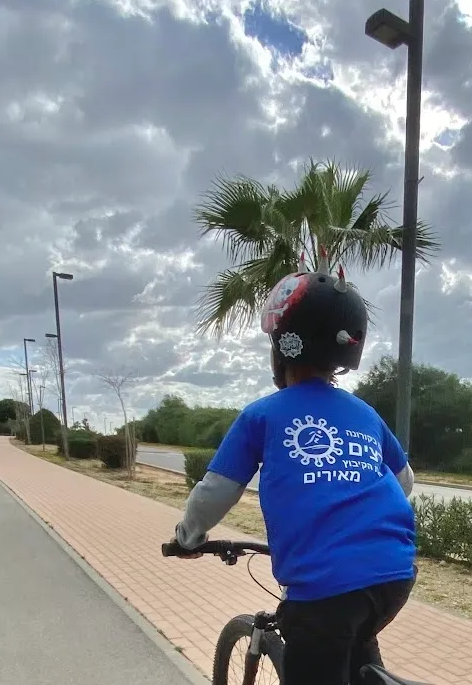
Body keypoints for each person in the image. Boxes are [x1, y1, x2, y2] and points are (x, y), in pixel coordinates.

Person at [167, 256, 418, 685]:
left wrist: (187, 537)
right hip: (394, 574)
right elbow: (404, 481)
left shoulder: (262, 415)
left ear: (281, 348)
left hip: (325, 591)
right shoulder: (365, 414)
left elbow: (216, 491)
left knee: (324, 641)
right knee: (354, 656)